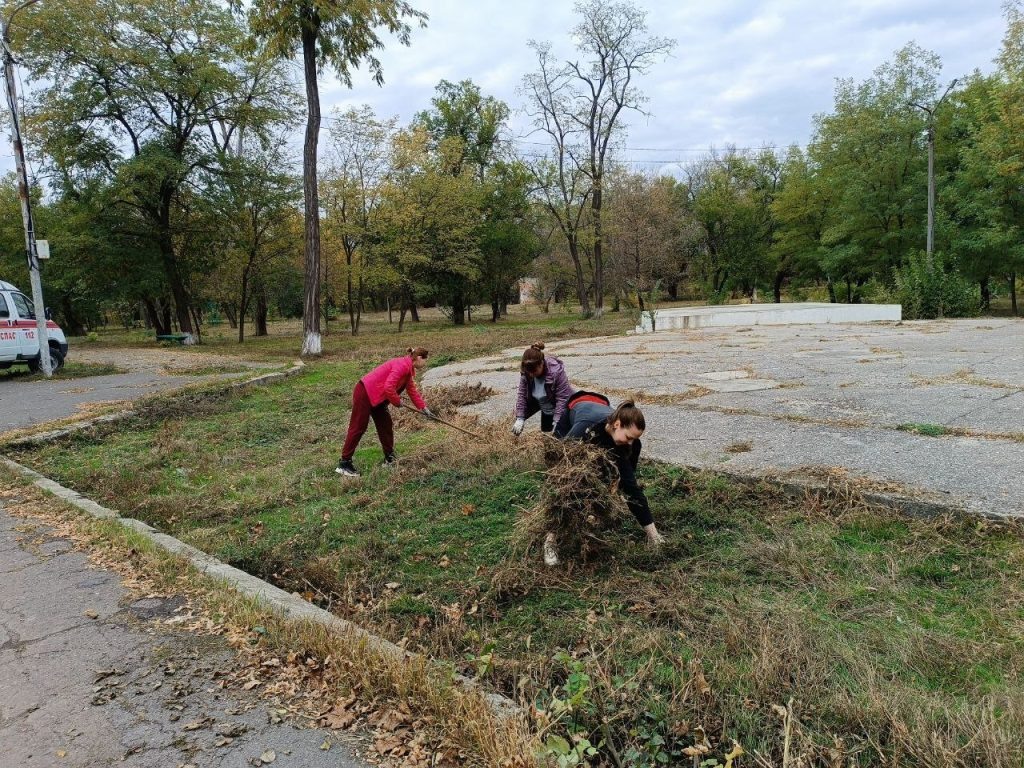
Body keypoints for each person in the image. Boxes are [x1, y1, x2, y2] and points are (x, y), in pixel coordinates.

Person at [544, 396, 665, 565]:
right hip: (575, 417)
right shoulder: (585, 428)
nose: (631, 442)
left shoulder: (631, 444)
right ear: (617, 424)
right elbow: (561, 467)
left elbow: (630, 486)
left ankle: (654, 537)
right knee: (567, 487)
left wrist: (617, 487)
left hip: (603, 427)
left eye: (634, 439)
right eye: (628, 437)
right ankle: (550, 541)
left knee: (628, 486)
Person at [336, 347, 434, 478]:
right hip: (365, 392)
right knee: (358, 426)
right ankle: (344, 463)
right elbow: (389, 387)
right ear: (420, 358)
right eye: (426, 361)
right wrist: (397, 401)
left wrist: (423, 408)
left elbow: (412, 391)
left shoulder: (408, 370)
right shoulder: (402, 366)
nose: (425, 364)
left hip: (378, 399)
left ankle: (389, 458)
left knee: (385, 425)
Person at [511, 342, 575, 437]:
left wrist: (557, 421)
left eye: (534, 371)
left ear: (542, 363)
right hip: (546, 410)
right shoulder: (526, 373)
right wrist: (520, 418)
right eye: (529, 372)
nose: (531, 375)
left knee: (562, 438)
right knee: (546, 437)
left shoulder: (555, 372)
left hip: (563, 411)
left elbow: (562, 399)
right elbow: (522, 395)